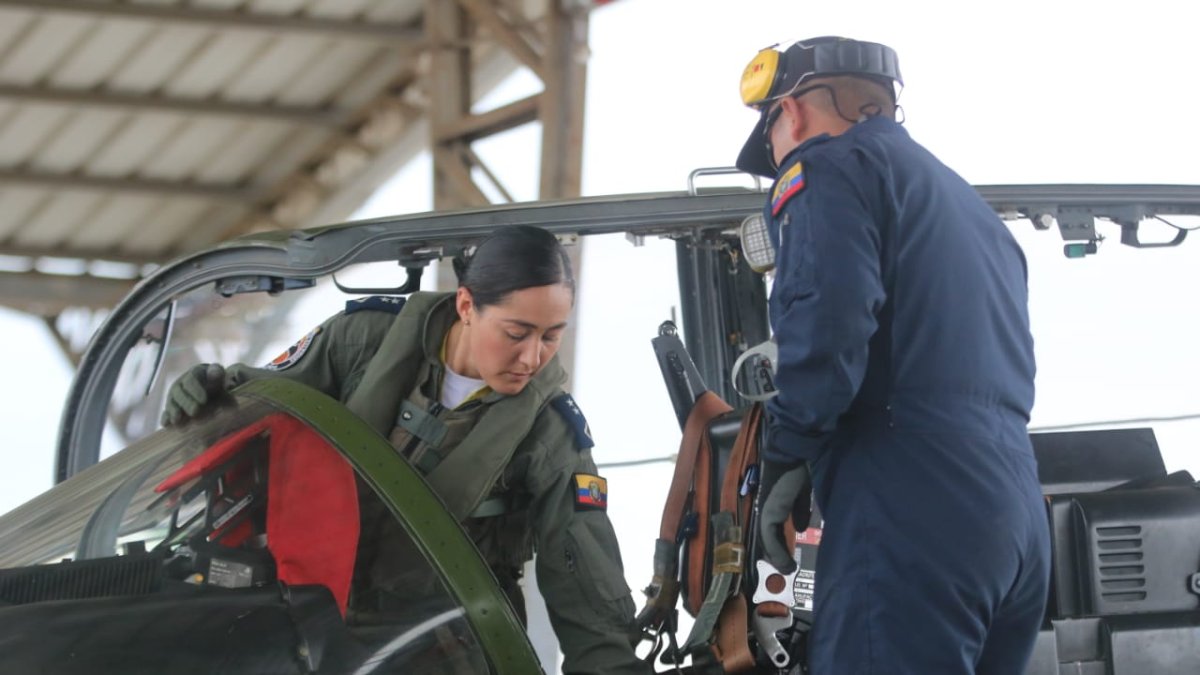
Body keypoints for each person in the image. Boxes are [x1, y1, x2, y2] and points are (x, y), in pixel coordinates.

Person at [162, 225, 648, 674]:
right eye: (516, 333)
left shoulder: (552, 433)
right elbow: (259, 416)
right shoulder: (362, 340)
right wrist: (207, 398)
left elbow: (589, 599)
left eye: (551, 336)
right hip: (303, 622)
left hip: (443, 646)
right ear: (466, 305)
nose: (532, 357)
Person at [735, 37, 1051, 674]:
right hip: (1014, 510)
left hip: (909, 501)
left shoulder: (825, 168)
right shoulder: (972, 210)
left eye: (769, 137)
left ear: (788, 113)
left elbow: (825, 327)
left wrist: (784, 454)